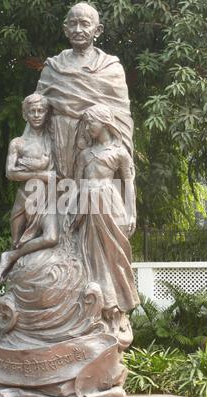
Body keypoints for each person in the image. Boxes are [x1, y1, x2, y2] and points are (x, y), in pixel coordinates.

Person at [33, 2, 134, 180]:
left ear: (98, 30)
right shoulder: (53, 68)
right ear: (65, 29)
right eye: (72, 24)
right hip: (58, 147)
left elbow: (122, 118)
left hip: (96, 153)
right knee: (60, 202)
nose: (78, 29)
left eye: (85, 24)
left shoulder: (111, 68)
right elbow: (36, 112)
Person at [67, 104, 140, 324]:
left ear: (104, 123)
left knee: (114, 255)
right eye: (86, 123)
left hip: (111, 205)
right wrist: (71, 211)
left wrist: (132, 214)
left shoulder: (119, 153)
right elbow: (76, 187)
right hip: (88, 209)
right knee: (91, 256)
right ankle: (96, 306)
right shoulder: (84, 154)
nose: (88, 127)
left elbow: (129, 186)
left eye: (91, 122)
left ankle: (116, 309)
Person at [0, 94, 58, 283]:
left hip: (51, 199)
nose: (37, 115)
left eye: (41, 111)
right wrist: (41, 175)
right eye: (32, 111)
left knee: (52, 237)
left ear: (47, 113)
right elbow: (10, 173)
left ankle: (9, 257)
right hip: (26, 200)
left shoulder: (54, 139)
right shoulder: (18, 143)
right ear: (25, 115)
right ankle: (14, 260)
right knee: (17, 242)